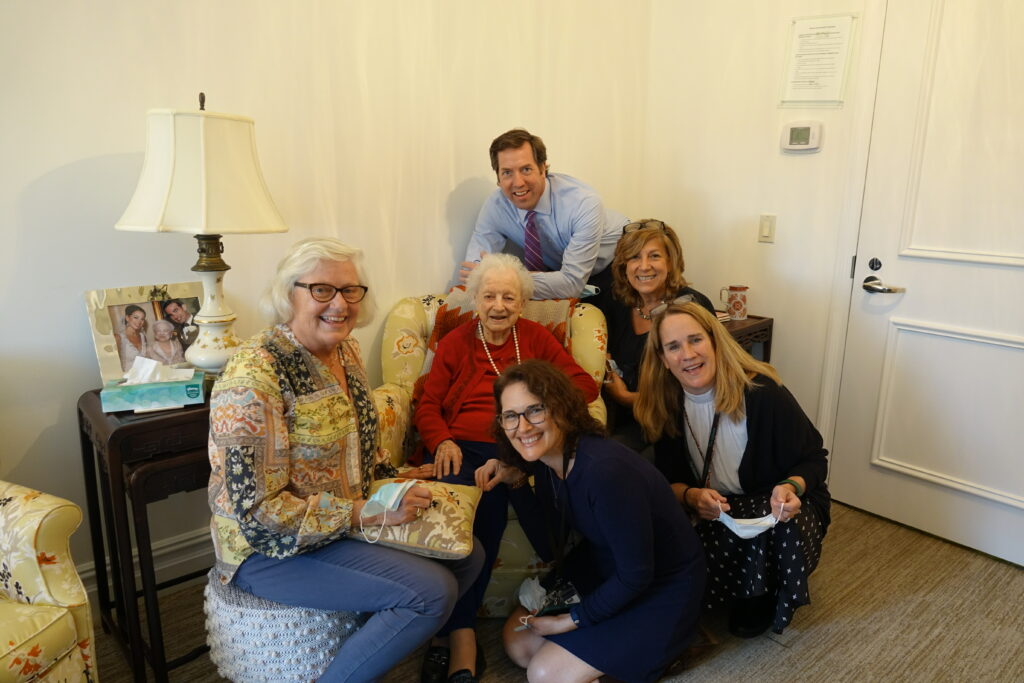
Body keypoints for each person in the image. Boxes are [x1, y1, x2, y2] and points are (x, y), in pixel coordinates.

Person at [208, 237, 484, 682]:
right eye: (321, 290)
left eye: (350, 290)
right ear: (288, 294)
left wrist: (398, 478)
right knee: (432, 593)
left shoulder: (345, 351)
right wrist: (369, 512)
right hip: (268, 551)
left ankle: (378, 640)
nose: (339, 303)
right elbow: (260, 516)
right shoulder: (253, 378)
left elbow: (359, 449)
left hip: (341, 521)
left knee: (469, 555)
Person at [416, 253, 599, 683]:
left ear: (522, 303)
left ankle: (455, 638)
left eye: (509, 297)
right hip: (458, 447)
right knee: (455, 523)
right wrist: (440, 439)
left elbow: (583, 386)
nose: (499, 305)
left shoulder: (534, 339)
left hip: (516, 443)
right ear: (474, 299)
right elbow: (427, 403)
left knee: (491, 512)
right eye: (490, 295)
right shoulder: (456, 342)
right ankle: (457, 632)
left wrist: (533, 413)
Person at [480, 360, 705, 683]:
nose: (523, 427)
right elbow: (549, 547)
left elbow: (637, 575)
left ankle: (660, 651)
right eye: (511, 416)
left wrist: (572, 620)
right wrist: (516, 483)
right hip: (605, 566)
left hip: (661, 585)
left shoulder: (605, 471)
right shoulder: (547, 462)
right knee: (519, 645)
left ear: (559, 408)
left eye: (535, 411)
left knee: (543, 673)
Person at [635, 301, 831, 638]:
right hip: (717, 509)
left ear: (715, 341)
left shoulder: (763, 393)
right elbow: (668, 483)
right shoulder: (664, 406)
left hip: (775, 506)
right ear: (663, 360)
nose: (687, 354)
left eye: (695, 340)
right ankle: (739, 584)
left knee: (778, 529)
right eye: (673, 346)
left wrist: (791, 488)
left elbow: (815, 459)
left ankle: (762, 591)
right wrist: (692, 495)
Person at [458, 128, 629, 300]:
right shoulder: (496, 206)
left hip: (619, 265)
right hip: (559, 274)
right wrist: (490, 278)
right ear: (498, 178)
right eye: (507, 172)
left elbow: (571, 284)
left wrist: (505, 279)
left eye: (526, 169)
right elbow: (474, 275)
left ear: (543, 169)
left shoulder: (583, 203)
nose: (517, 183)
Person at [601, 219, 715, 455]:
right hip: (627, 421)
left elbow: (692, 391)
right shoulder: (617, 304)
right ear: (623, 265)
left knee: (612, 458)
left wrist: (625, 397)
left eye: (654, 256)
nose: (644, 266)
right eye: (634, 257)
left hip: (677, 424)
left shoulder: (689, 306)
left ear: (671, 262)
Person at [117, 304, 149, 371]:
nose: (139, 322)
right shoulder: (118, 338)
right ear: (127, 318)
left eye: (142, 319)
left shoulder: (143, 337)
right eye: (136, 317)